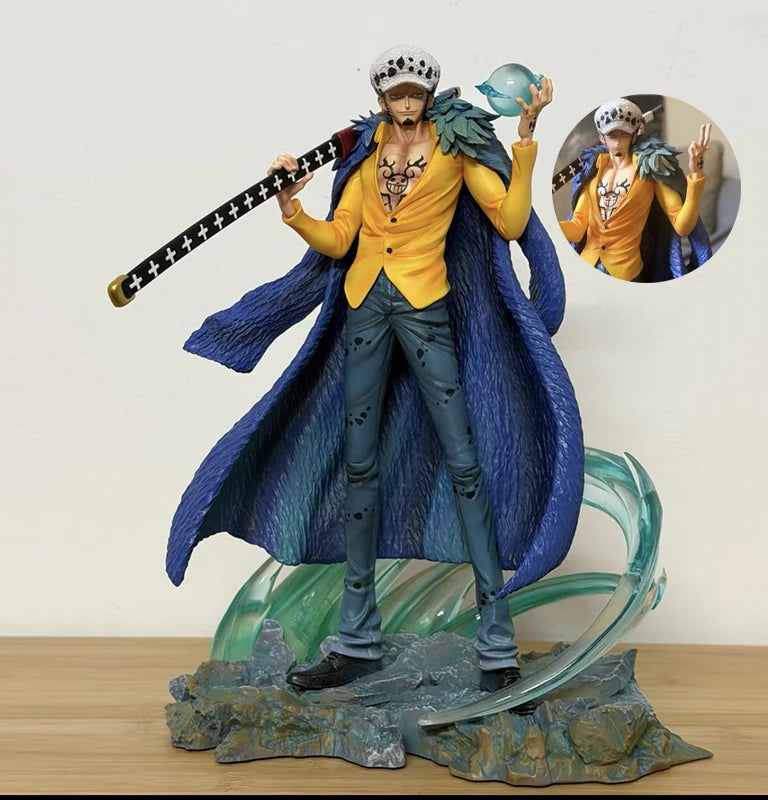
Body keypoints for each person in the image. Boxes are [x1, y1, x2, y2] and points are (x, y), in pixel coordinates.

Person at [166, 45, 584, 713]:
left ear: (429, 94)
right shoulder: (364, 152)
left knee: (465, 464)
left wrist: (526, 140)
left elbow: (507, 222)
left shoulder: (456, 145)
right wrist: (293, 208)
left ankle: (497, 646)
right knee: (359, 469)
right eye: (397, 94)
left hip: (425, 310)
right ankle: (357, 639)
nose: (407, 103)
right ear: (382, 97)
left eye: (416, 93)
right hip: (366, 309)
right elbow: (341, 239)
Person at [559, 97, 712, 282]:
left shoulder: (649, 170)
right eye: (612, 135)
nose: (617, 142)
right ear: (602, 138)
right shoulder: (592, 170)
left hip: (626, 273)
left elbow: (682, 226)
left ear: (634, 136)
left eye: (624, 135)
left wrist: (696, 176)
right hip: (586, 266)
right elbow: (577, 228)